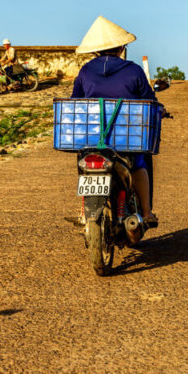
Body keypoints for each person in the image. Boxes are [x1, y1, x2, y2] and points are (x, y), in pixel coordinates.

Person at [72, 15, 158, 225]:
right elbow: (149, 100)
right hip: (126, 139)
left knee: (84, 163)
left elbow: (75, 102)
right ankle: (146, 213)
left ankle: (83, 211)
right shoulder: (134, 70)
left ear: (95, 50)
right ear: (121, 48)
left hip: (92, 138)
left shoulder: (85, 71)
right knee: (140, 164)